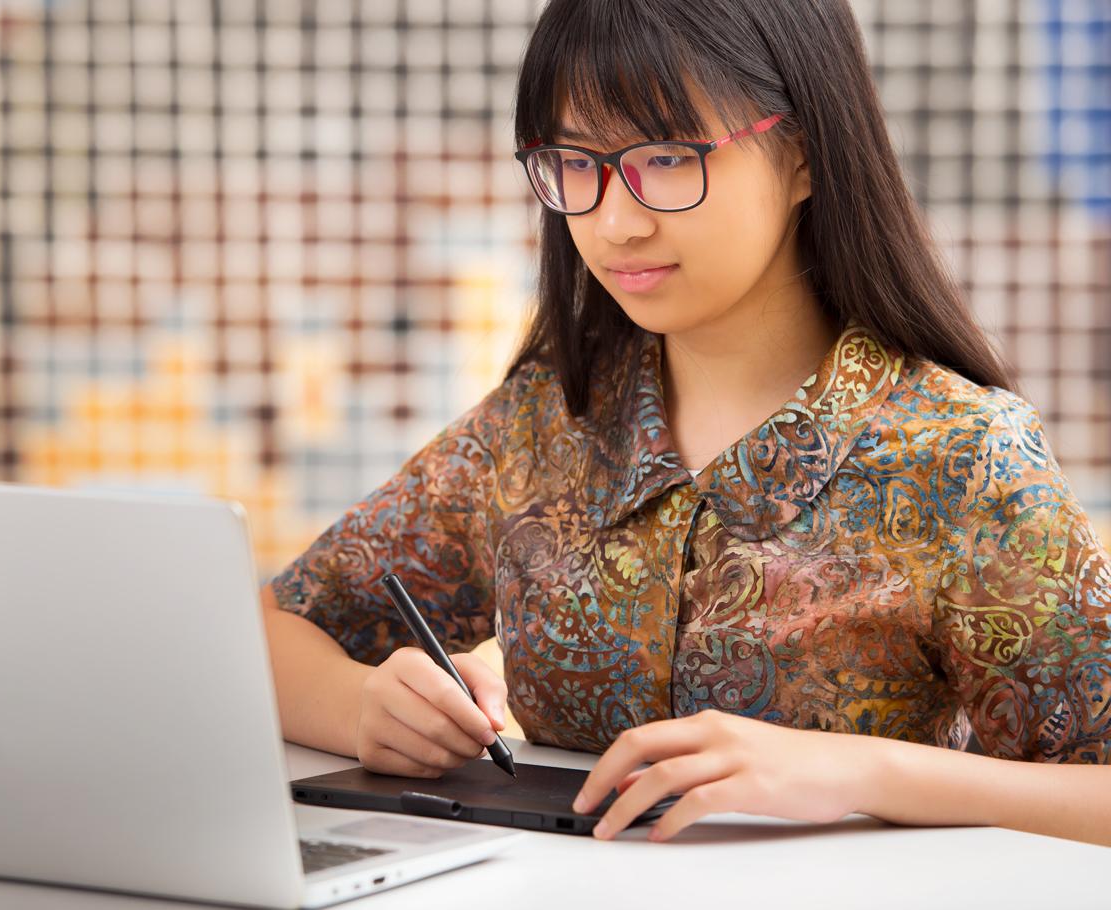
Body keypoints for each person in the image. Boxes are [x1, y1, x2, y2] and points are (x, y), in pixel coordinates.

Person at [262, 0, 1111, 845]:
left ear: (805, 152)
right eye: (574, 162)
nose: (614, 221)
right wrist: (362, 708)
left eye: (666, 157)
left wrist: (860, 771)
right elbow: (268, 630)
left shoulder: (960, 457)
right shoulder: (541, 426)